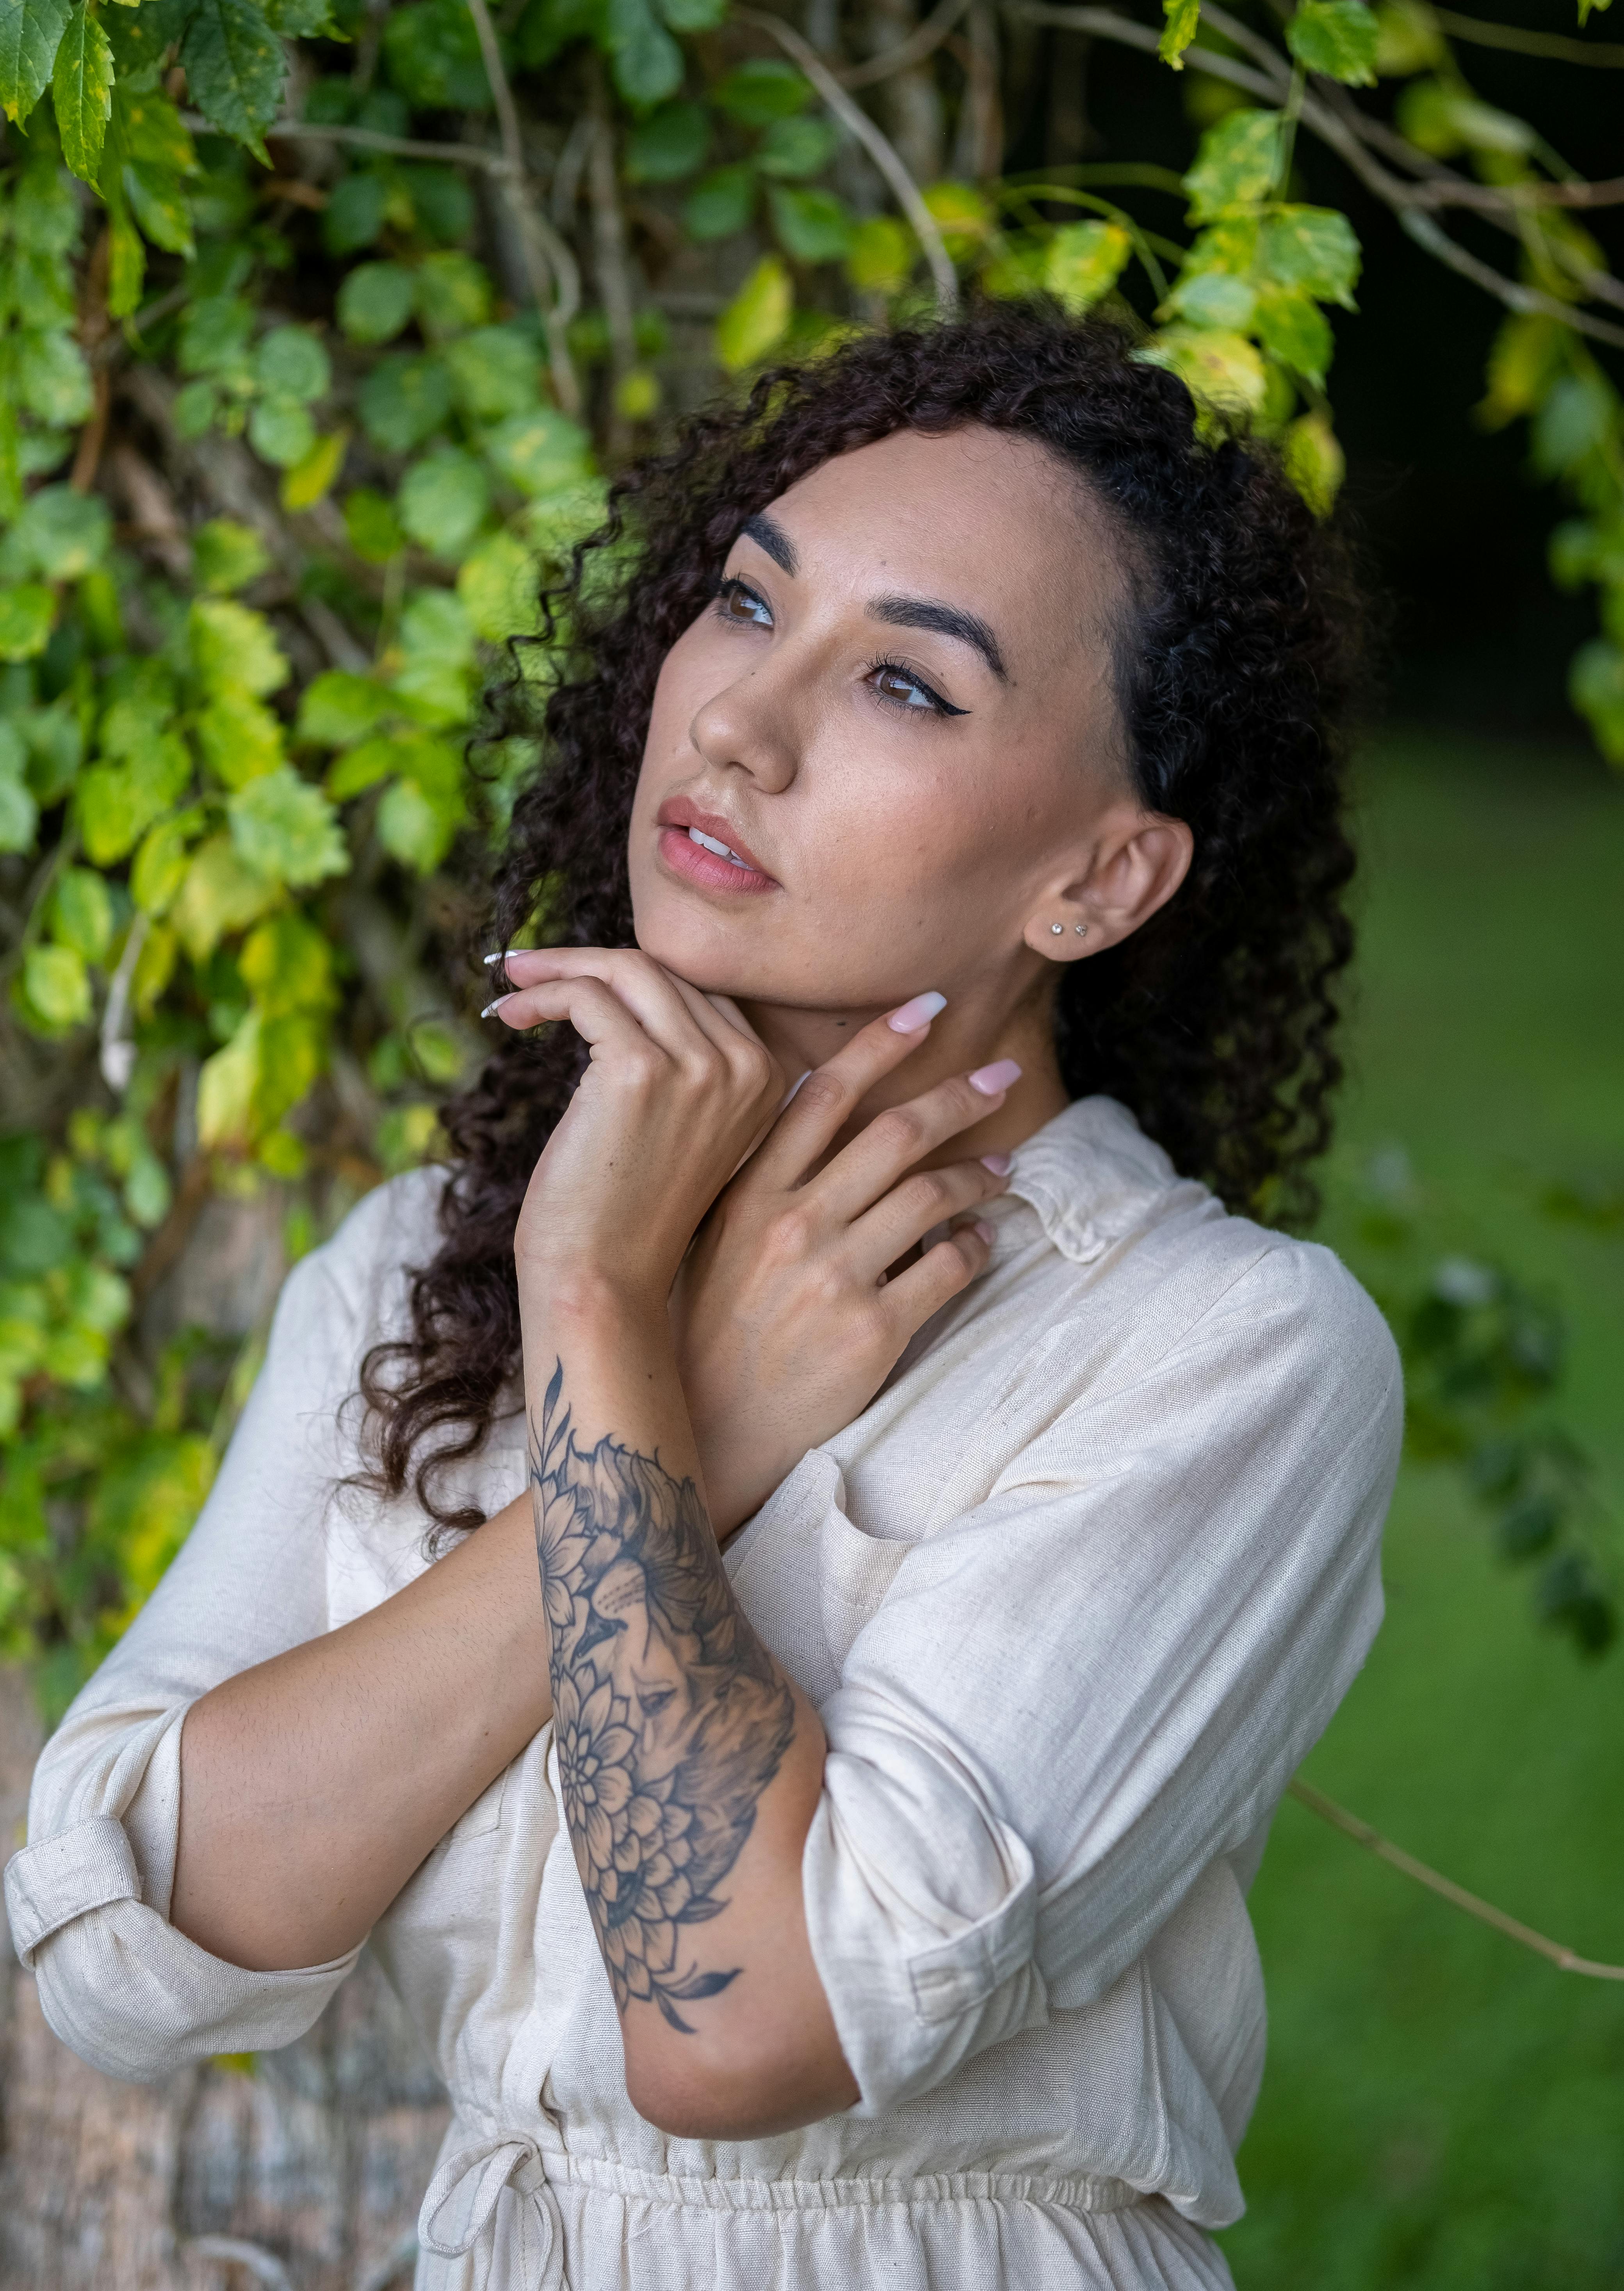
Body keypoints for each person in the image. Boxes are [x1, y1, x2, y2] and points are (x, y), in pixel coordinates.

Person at [7, 307, 1402, 2291]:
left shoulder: (1216, 1353)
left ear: (1097, 882)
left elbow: (740, 2024)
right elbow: (133, 1959)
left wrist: (596, 1316)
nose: (738, 723)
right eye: (746, 605)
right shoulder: (431, 1261)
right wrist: (684, 1390)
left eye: (906, 685)